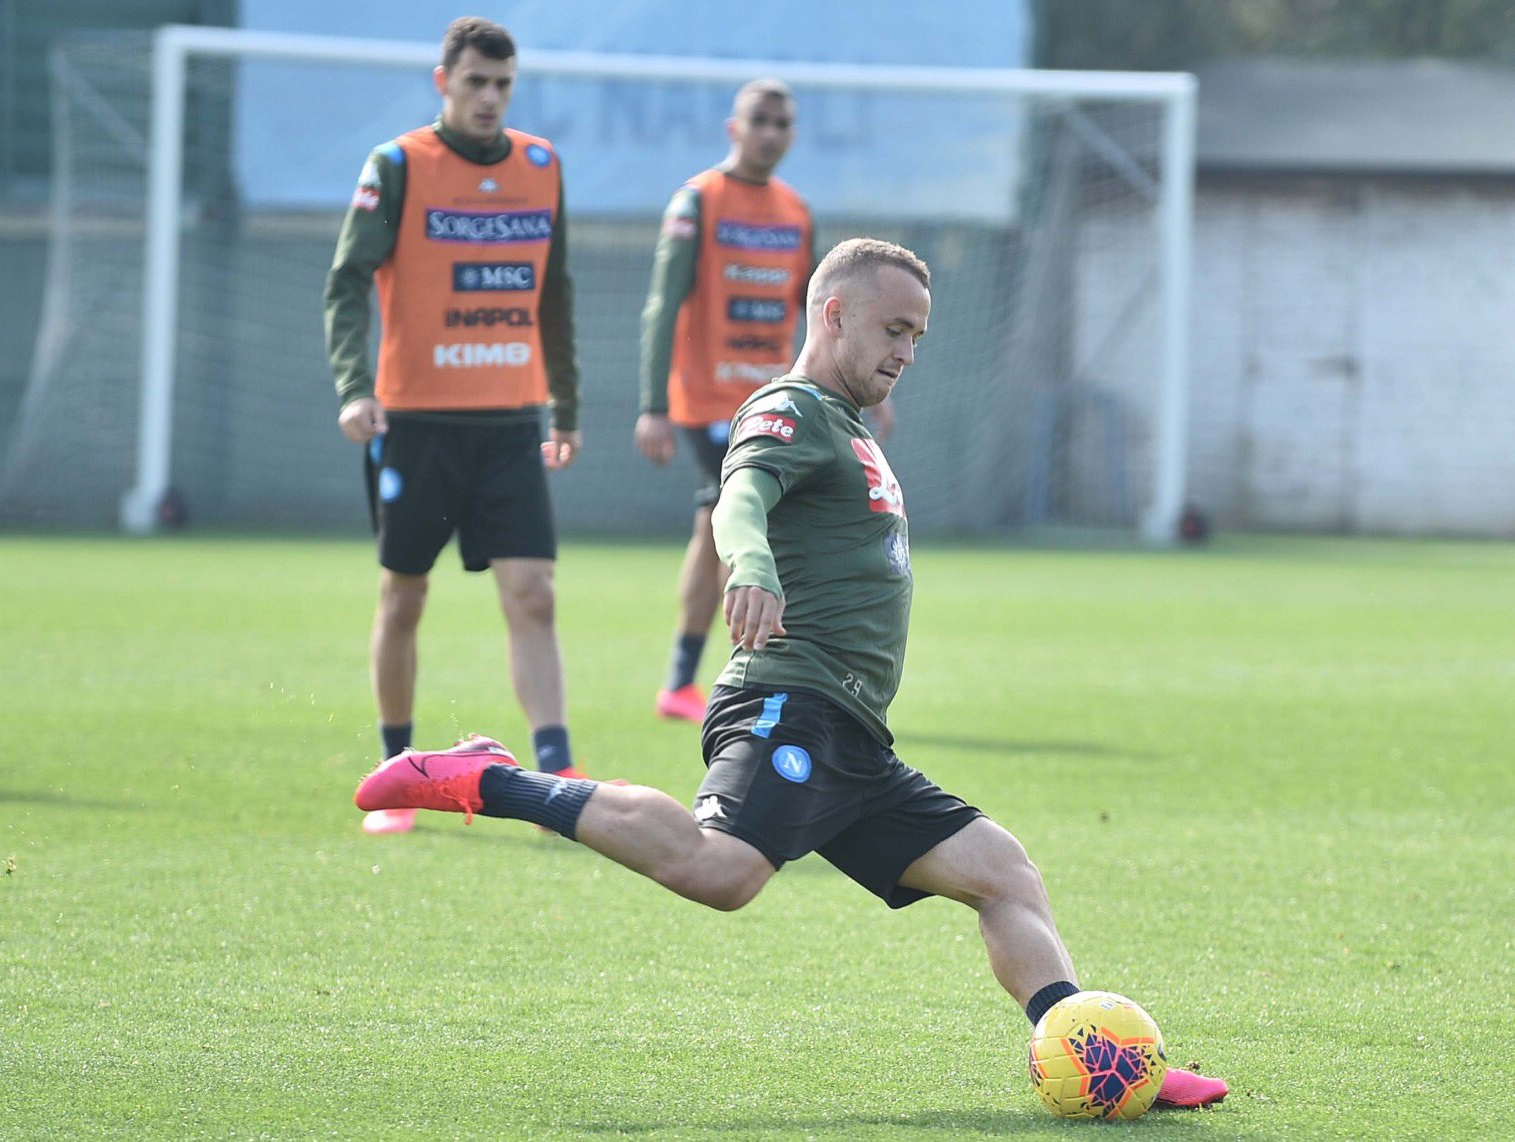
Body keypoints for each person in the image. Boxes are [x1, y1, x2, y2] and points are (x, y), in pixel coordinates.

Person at [353, 238, 1227, 1109]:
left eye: (917, 336)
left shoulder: (850, 425)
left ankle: (1105, 1058)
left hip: (851, 735)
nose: (906, 353)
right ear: (832, 314)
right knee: (722, 871)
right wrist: (750, 566)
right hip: (788, 701)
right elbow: (739, 497)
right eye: (893, 329)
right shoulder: (792, 408)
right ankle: (492, 780)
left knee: (1002, 873)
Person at [325, 17, 584, 836]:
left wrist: (566, 406)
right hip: (419, 425)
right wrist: (355, 386)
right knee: (404, 595)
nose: (488, 98)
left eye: (501, 85)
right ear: (444, 82)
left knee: (533, 593)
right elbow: (346, 281)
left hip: (511, 422)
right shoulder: (398, 165)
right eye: (474, 82)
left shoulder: (541, 167)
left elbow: (554, 293)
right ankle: (395, 771)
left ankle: (556, 773)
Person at [635, 79, 889, 724]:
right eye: (760, 121)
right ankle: (707, 674)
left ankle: (693, 676)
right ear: (734, 127)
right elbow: (665, 305)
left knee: (729, 523)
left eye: (782, 123)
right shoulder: (698, 200)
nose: (771, 133)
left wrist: (856, 388)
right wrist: (652, 404)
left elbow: (818, 312)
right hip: (705, 400)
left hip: (771, 395)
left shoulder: (795, 212)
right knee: (730, 518)